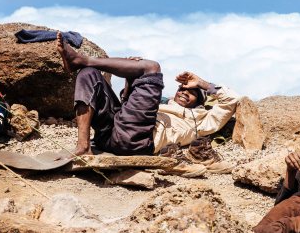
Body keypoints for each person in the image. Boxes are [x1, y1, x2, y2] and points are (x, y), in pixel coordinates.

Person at [56, 33, 239, 157]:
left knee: (152, 68)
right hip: (109, 135)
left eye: (191, 93)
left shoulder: (202, 119)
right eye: (182, 89)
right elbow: (126, 107)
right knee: (88, 74)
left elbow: (232, 100)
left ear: (199, 101)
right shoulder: (159, 106)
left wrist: (201, 83)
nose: (185, 92)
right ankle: (83, 146)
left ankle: (82, 60)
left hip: (137, 142)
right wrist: (130, 79)